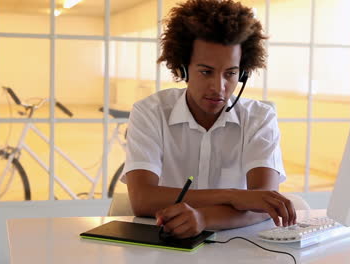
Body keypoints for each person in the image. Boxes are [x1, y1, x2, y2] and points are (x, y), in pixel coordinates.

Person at [121, 0, 296, 239]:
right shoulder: (149, 112)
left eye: (231, 73)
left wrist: (205, 218)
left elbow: (265, 203)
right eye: (206, 72)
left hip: (238, 247)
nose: (219, 87)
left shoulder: (259, 118)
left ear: (242, 73)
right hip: (163, 246)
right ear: (182, 69)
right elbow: (142, 200)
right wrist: (233, 196)